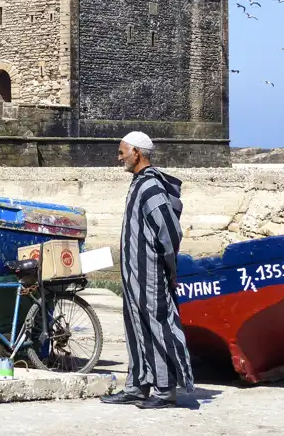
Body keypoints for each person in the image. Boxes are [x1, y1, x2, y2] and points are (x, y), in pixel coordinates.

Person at [100, 131, 194, 409]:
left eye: (122, 152)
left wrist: (168, 267)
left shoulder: (151, 185)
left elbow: (168, 231)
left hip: (149, 273)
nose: (119, 157)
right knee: (135, 326)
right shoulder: (138, 183)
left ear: (137, 154)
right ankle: (137, 386)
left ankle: (165, 390)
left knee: (157, 324)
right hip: (133, 274)